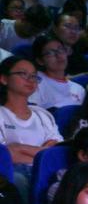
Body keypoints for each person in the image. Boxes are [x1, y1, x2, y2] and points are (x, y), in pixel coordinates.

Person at [0, 56, 60, 185]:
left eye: (34, 76)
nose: (30, 80)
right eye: (23, 74)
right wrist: (44, 154)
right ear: (4, 79)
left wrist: (19, 148)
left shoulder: (42, 114)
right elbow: (5, 155)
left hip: (47, 172)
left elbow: (56, 151)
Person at [28, 34, 85, 109]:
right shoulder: (34, 81)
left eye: (61, 50)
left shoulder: (78, 89)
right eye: (50, 53)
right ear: (40, 61)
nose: (59, 56)